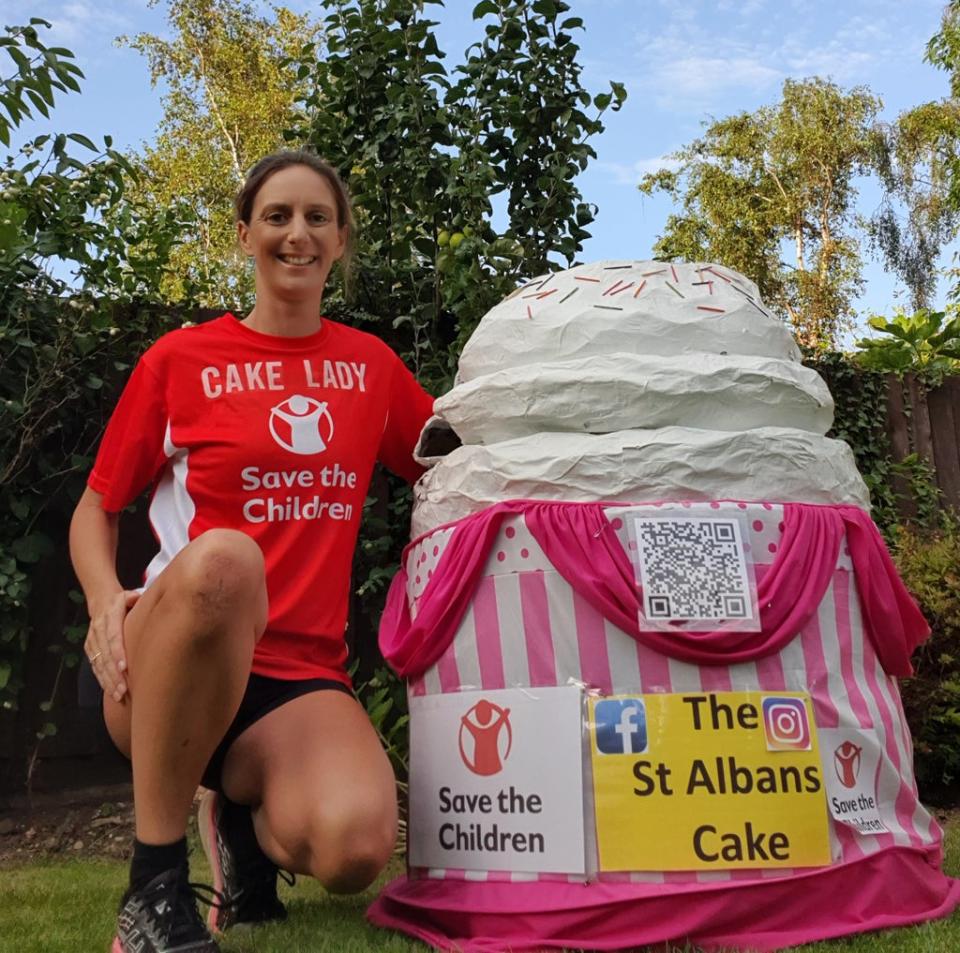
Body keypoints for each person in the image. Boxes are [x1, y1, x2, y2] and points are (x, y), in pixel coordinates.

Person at [69, 150, 435, 953]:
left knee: (355, 847)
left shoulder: (371, 369)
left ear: (340, 241)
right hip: (172, 656)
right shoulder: (179, 360)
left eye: (316, 218)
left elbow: (452, 468)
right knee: (227, 560)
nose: (296, 234)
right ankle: (152, 889)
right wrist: (102, 599)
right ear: (244, 235)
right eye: (276, 216)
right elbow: (97, 508)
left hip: (299, 676)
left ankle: (236, 818)